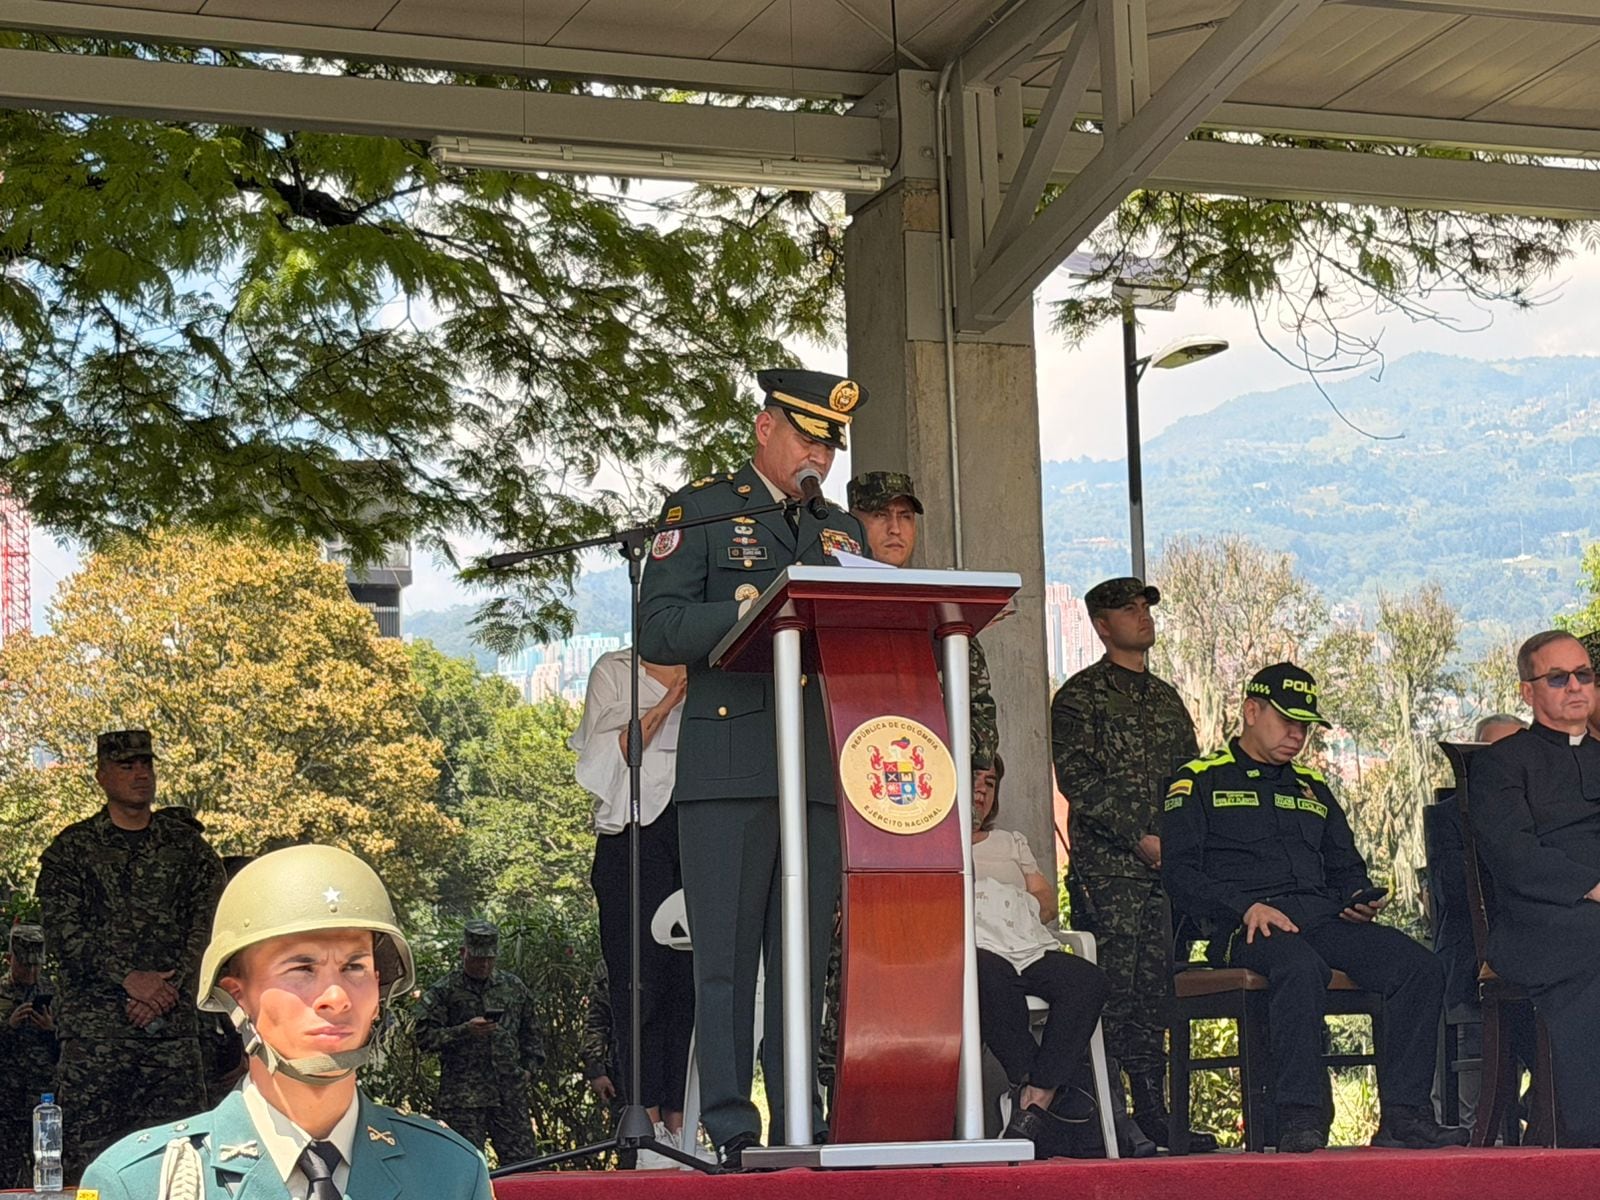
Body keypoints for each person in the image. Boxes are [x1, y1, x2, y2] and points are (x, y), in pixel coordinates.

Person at [638, 369, 870, 1167]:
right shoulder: (702, 511)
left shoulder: (843, 534)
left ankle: (800, 1115)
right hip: (730, 771)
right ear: (764, 427)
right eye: (807, 437)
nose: (820, 456)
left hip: (814, 772)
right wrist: (752, 610)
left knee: (803, 964)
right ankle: (734, 1128)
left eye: (830, 445)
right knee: (728, 963)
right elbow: (659, 628)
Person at [1162, 662, 1468, 1153]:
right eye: (1286, 721)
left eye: (1304, 725)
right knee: (1301, 967)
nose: (1296, 734)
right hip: (1242, 929)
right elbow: (1179, 875)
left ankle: (1405, 1115)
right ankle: (1299, 1116)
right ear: (1251, 711)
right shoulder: (1199, 780)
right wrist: (1245, 907)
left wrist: (1356, 899)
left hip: (1322, 921)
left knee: (1419, 966)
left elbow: (1347, 867)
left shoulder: (1312, 788)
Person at [80, 844, 492, 1199]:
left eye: (355, 967)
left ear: (379, 993)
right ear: (237, 995)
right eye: (301, 968)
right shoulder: (141, 1183)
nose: (336, 998)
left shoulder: (449, 1174)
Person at [1049, 577, 1214, 1150]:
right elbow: (1080, 782)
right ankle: (1110, 1115)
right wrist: (1139, 836)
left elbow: (1189, 778)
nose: (1142, 615)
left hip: (1166, 873)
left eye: (1145, 606)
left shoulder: (1165, 698)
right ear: (1101, 624)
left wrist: (1183, 842)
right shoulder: (1078, 697)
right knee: (1115, 993)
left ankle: (1154, 1111)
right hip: (1110, 872)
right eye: (1128, 608)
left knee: (1156, 994)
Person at [37, 729, 226, 1180]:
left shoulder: (188, 851)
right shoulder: (73, 850)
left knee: (180, 1165)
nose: (141, 774)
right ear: (102, 776)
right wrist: (128, 978)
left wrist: (167, 987)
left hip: (173, 1041)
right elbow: (62, 931)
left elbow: (213, 922)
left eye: (146, 764)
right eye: (127, 766)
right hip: (97, 1040)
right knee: (89, 1170)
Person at [1468, 630, 1600, 1146]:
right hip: (1533, 922)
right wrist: (1590, 886)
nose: (1574, 687)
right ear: (1528, 692)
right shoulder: (1501, 763)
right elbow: (1513, 856)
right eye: (1558, 677)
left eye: (1583, 675)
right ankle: (1585, 1136)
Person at [568, 648, 694, 1166]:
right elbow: (614, 750)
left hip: (690, 830)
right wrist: (669, 700)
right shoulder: (615, 671)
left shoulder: (717, 665)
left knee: (685, 978)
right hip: (629, 835)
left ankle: (682, 1124)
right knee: (636, 982)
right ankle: (641, 1119)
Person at [972, 757, 1110, 1153]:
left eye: (991, 783)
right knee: (987, 977)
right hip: (979, 948)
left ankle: (1034, 1095)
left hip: (1027, 944)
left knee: (1088, 980)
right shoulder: (937, 848)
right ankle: (1046, 1090)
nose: (981, 791)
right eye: (973, 781)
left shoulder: (1011, 842)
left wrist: (1000, 898)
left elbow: (1046, 904)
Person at [846, 470, 999, 769]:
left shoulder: (942, 613)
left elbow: (983, 732)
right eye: (880, 515)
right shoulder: (831, 606)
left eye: (905, 517)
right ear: (851, 522)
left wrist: (926, 742)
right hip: (857, 781)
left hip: (934, 783)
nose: (895, 529)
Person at [1423, 713, 1530, 1128]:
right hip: (1475, 954)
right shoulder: (1449, 818)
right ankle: (1478, 1126)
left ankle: (1546, 1104)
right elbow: (1453, 891)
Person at [414, 920, 543, 1166]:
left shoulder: (513, 987)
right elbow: (425, 1038)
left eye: (489, 959)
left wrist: (528, 1071)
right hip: (464, 1099)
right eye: (477, 959)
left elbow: (532, 1033)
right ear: (464, 953)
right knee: (463, 1167)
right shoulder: (444, 991)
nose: (483, 965)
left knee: (523, 1167)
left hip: (509, 1094)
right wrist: (464, 1031)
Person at [0, 924, 58, 1188]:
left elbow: (74, 1053)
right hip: (6, 1104)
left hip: (43, 1102)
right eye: (25, 966)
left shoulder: (54, 994)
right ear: (10, 959)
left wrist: (51, 1031)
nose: (32, 973)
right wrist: (7, 1027)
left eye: (37, 966)